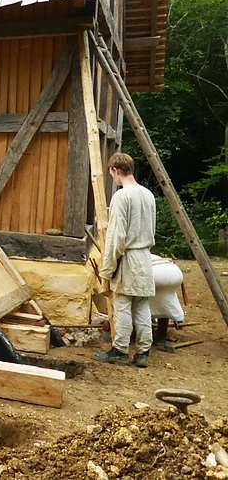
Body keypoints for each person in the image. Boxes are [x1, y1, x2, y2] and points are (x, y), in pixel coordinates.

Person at [94, 153, 156, 368]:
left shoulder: (122, 197)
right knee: (141, 306)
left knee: (122, 305)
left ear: (115, 170)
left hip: (128, 257)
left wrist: (108, 268)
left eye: (112, 174)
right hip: (144, 257)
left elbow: (116, 237)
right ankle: (143, 352)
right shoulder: (148, 195)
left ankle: (120, 350)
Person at [148, 254, 186, 349]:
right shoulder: (150, 253)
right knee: (164, 303)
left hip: (155, 273)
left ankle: (146, 335)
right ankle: (161, 336)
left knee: (141, 304)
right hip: (174, 271)